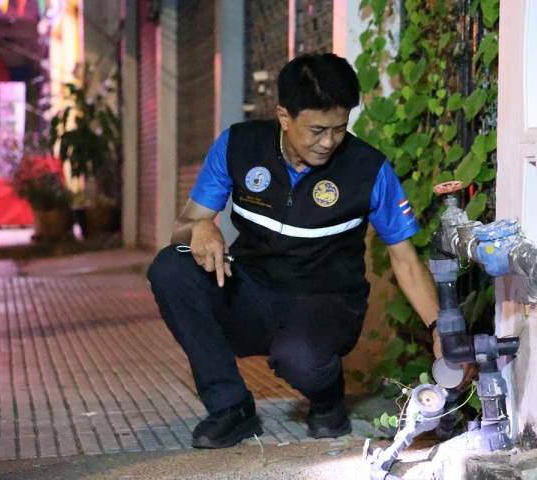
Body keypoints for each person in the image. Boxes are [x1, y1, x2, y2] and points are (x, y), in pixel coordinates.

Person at [147, 53, 449, 450]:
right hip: (251, 291)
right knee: (170, 268)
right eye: (317, 130)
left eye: (340, 128)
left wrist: (440, 328)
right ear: (284, 116)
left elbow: (405, 259)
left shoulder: (368, 169)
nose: (329, 142)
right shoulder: (238, 146)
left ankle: (328, 399)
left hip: (326, 302)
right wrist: (200, 227)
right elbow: (182, 227)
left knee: (300, 358)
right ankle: (231, 407)